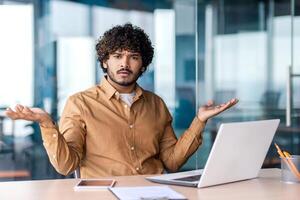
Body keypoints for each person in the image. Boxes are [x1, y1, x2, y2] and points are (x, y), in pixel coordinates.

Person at [5, 23, 238, 178]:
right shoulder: (80, 103)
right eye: (117, 56)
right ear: (105, 61)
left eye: (133, 57)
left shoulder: (156, 104)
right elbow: (67, 165)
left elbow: (172, 162)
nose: (124, 64)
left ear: (143, 64)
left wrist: (199, 120)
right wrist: (47, 123)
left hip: (155, 193)